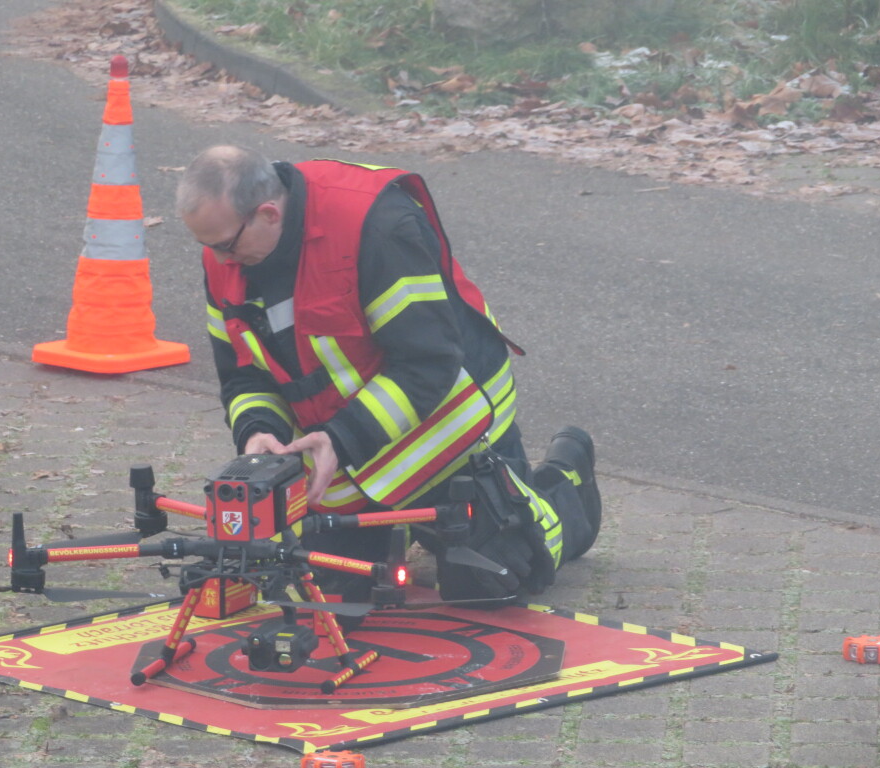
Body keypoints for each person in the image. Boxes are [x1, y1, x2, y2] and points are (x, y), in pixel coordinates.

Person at [176, 144, 601, 602]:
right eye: (207, 246)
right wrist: (258, 432)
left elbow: (429, 363)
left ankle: (566, 478)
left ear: (268, 214)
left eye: (225, 246)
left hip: (447, 434)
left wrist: (340, 440)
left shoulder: (374, 226)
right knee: (332, 590)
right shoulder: (228, 254)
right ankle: (410, 530)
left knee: (496, 582)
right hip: (346, 455)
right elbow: (242, 376)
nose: (220, 261)